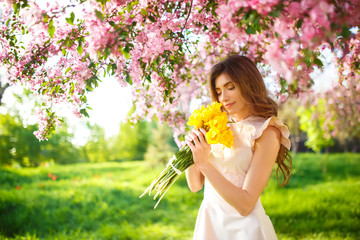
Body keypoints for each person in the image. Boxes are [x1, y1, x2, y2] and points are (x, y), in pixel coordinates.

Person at [184, 55, 292, 240]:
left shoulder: (266, 131)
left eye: (230, 87)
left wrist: (205, 165)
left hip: (245, 231)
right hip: (210, 225)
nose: (223, 97)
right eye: (218, 91)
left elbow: (246, 205)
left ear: (248, 84)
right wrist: (193, 148)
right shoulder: (218, 126)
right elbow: (195, 185)